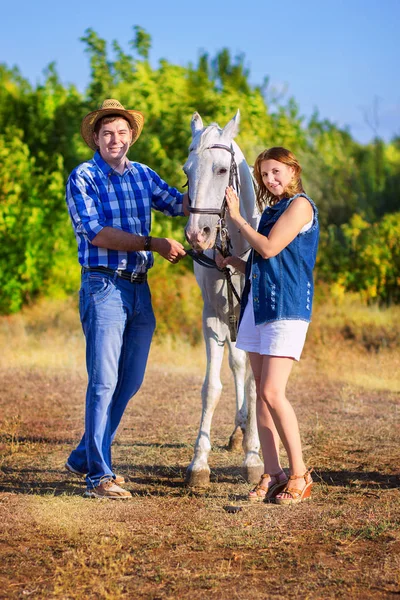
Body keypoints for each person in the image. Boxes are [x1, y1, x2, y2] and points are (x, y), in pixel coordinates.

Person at [65, 99, 188, 499]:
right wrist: (153, 243)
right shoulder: (84, 176)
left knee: (130, 380)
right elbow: (96, 232)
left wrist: (220, 187)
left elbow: (181, 204)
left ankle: (85, 454)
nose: (114, 139)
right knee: (103, 382)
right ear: (96, 139)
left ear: (131, 136)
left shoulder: (143, 175)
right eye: (107, 134)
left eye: (121, 132)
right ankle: (99, 477)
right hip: (103, 287)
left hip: (139, 289)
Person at [217, 147, 319, 505]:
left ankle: (299, 474)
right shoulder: (273, 210)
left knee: (274, 393)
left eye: (276, 172)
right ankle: (272, 473)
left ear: (293, 170)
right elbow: (263, 266)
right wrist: (232, 261)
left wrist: (239, 218)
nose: (269, 180)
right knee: (260, 394)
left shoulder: (301, 206)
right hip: (257, 308)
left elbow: (271, 249)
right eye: (264, 174)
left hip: (286, 309)